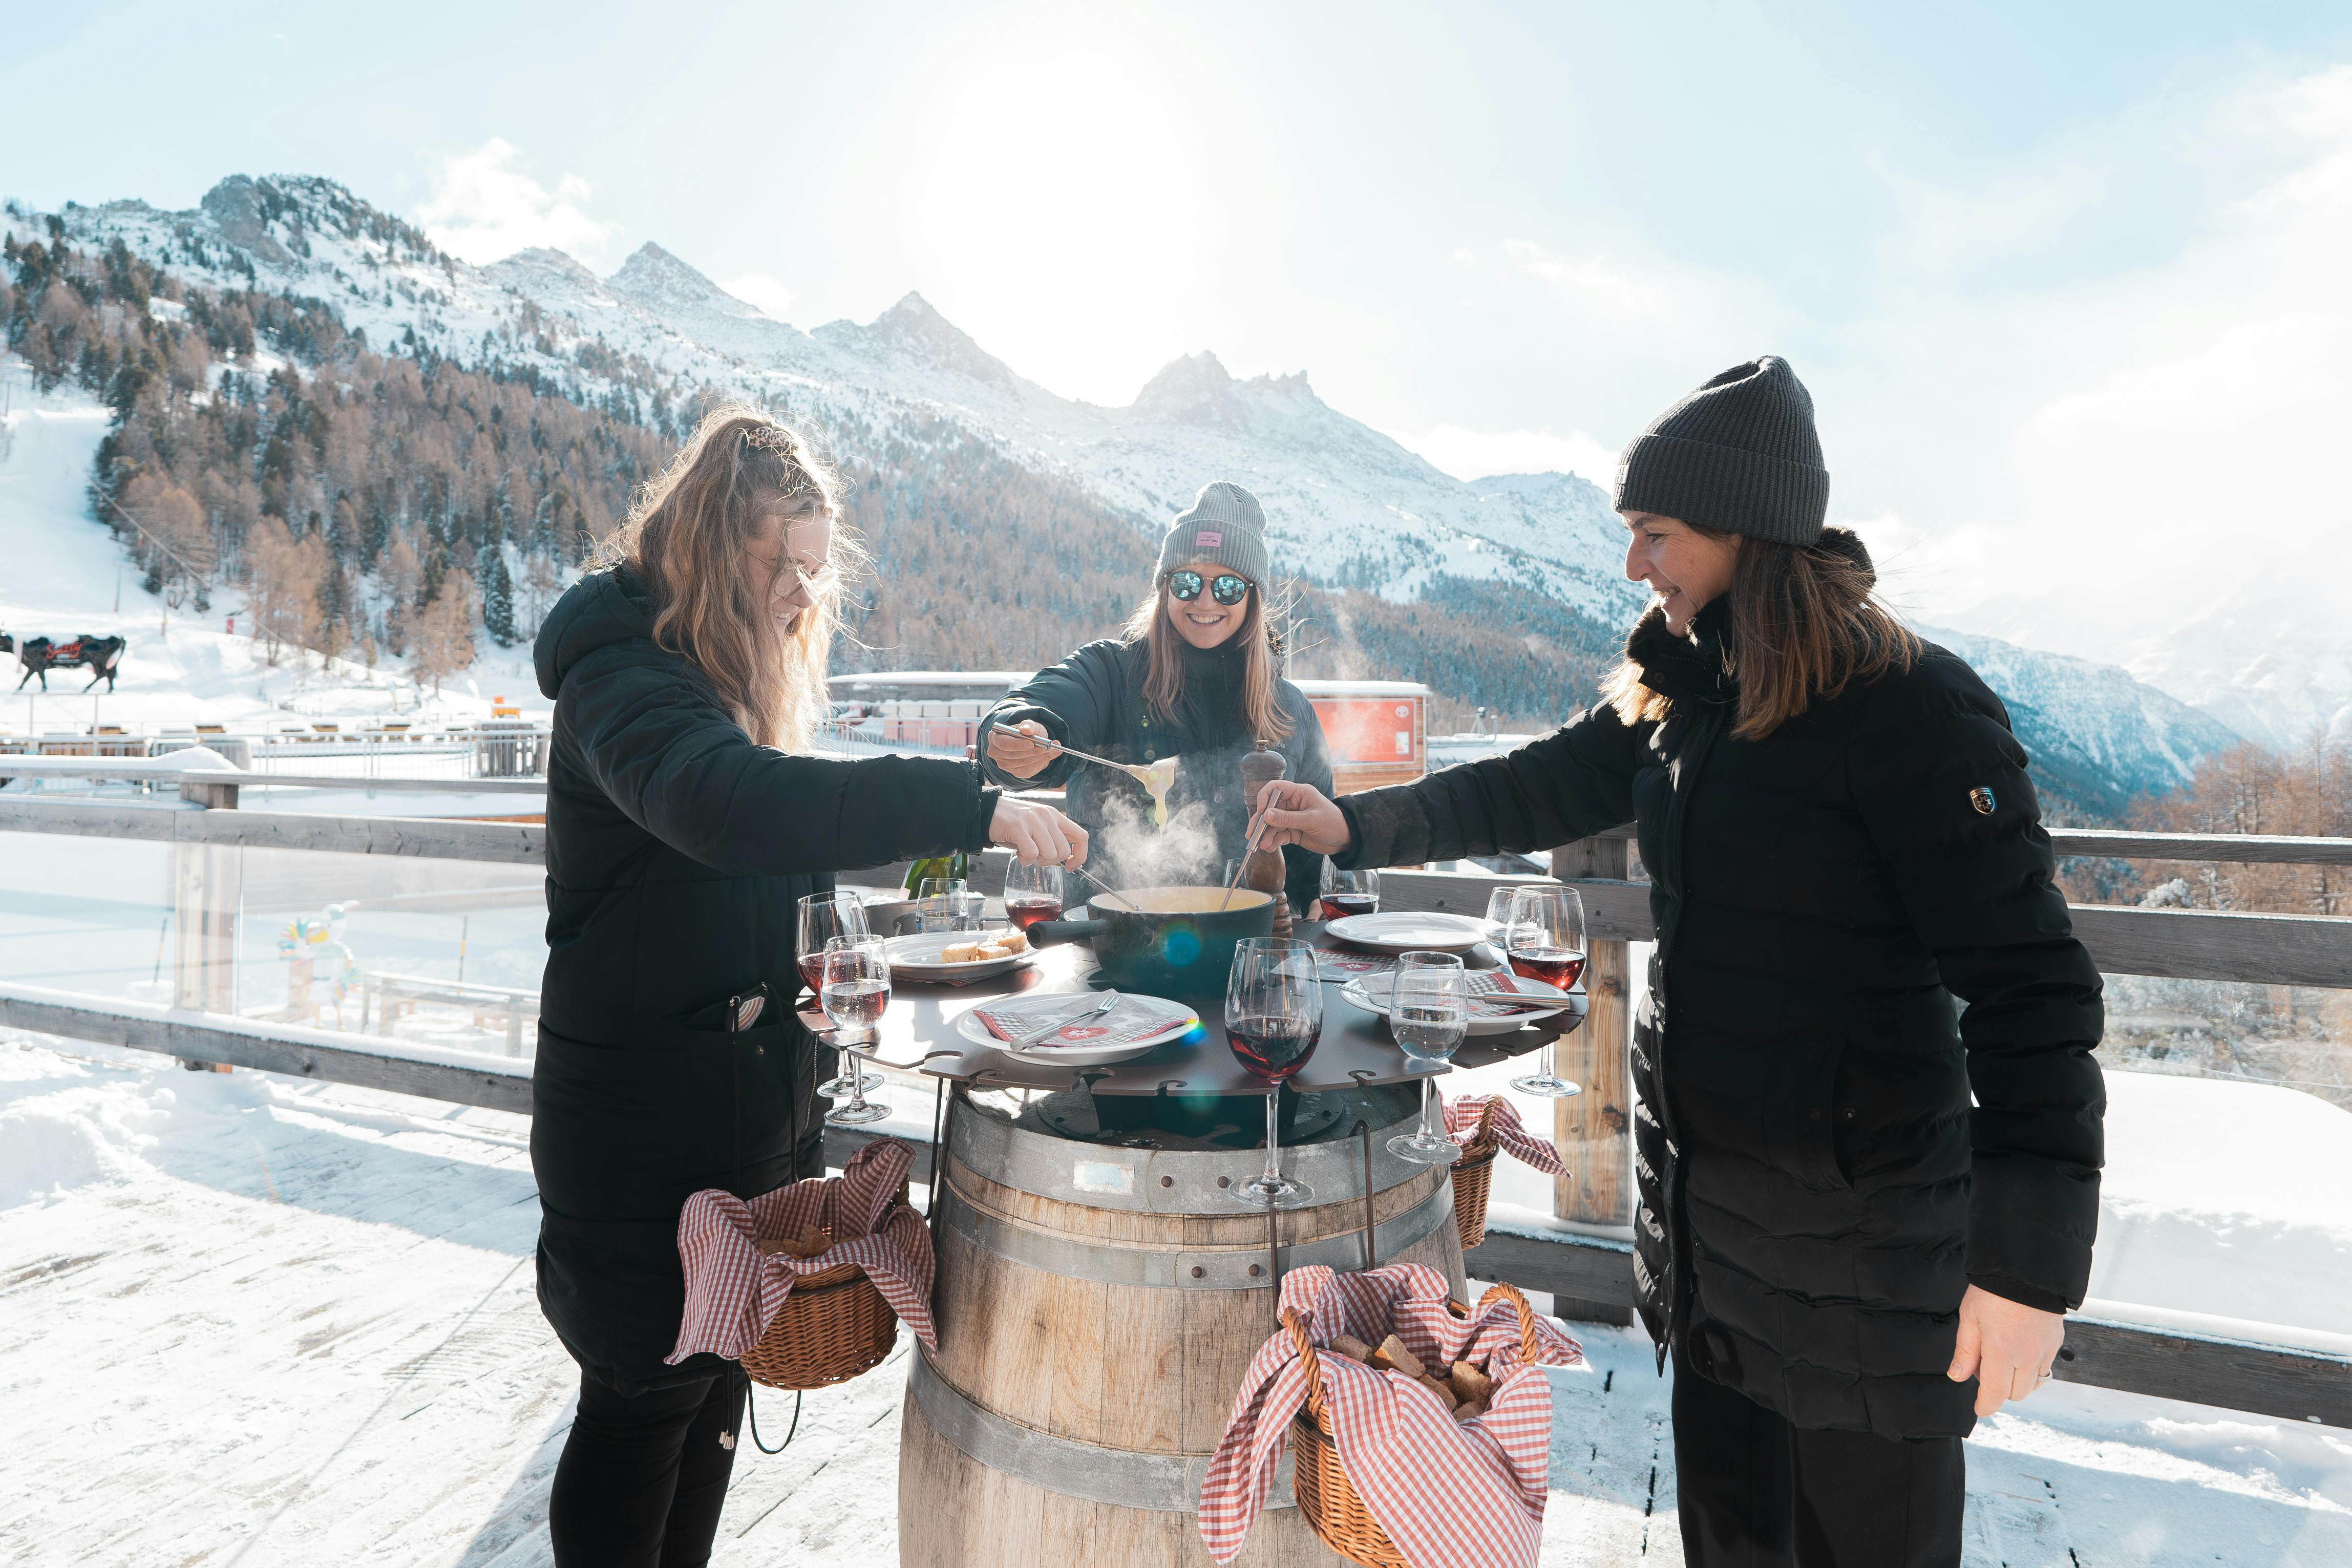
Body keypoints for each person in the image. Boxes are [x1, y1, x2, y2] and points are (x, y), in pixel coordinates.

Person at [1256, 358, 2104, 1568]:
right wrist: (1359, 827)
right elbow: (1534, 781)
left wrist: (2026, 1270)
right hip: (1716, 1258)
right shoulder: (1686, 693)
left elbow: (2035, 987)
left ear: (1743, 527)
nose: (1632, 563)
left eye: (1653, 532)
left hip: (1864, 1272)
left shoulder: (1909, 707)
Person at [529, 406, 1088, 1568]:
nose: (798, 595)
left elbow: (761, 867)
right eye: (776, 566)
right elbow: (726, 805)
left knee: (716, 1390)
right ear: (700, 549)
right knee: (641, 1402)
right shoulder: (622, 678)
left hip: (740, 1116)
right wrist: (964, 805)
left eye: (812, 572)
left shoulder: (705, 680)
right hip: (639, 1133)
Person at [977, 480, 1334, 913]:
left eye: (1227, 587)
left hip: (1246, 952)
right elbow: (1032, 711)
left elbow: (1313, 851)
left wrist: (1314, 898)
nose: (1205, 599)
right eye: (1186, 582)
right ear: (1164, 588)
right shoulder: (1109, 673)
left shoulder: (1289, 709)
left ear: (1252, 598)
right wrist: (1021, 736)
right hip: (1110, 946)